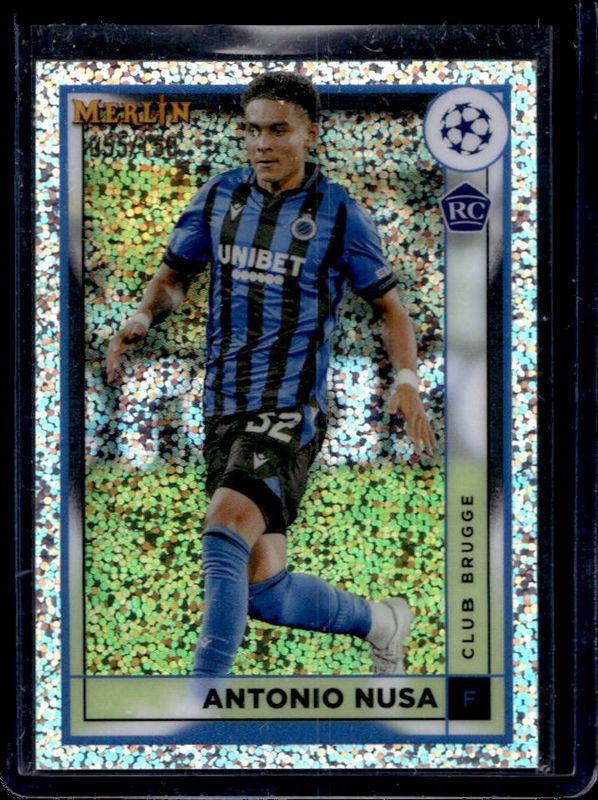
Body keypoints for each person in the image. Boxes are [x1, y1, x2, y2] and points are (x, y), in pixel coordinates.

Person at [106, 71, 436, 677]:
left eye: (278, 130)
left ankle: (199, 703)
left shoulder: (339, 213)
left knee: (224, 525)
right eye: (252, 130)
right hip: (222, 406)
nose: (262, 143)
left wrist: (407, 381)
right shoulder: (220, 196)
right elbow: (174, 277)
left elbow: (389, 308)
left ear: (311, 134)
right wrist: (143, 316)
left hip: (289, 408)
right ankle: (381, 622)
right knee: (264, 590)